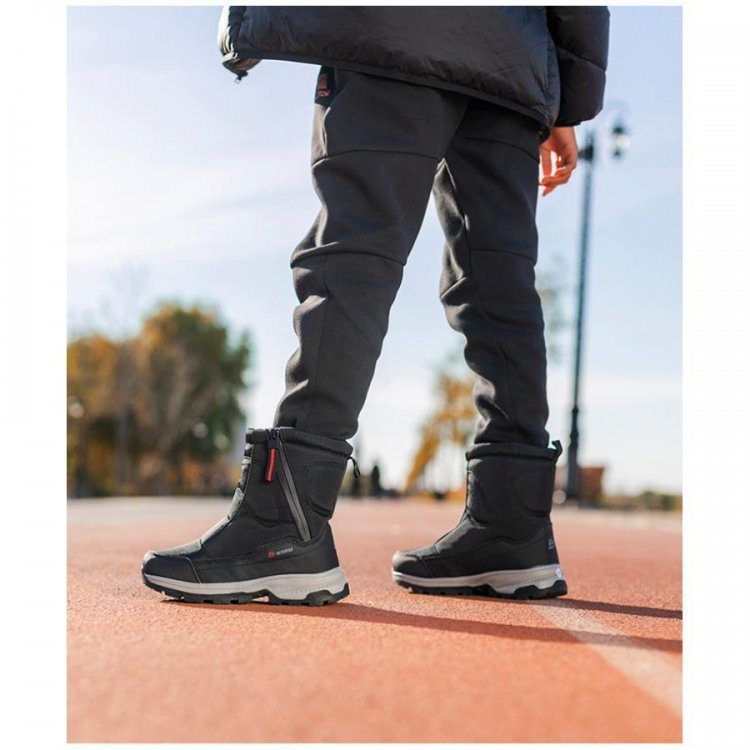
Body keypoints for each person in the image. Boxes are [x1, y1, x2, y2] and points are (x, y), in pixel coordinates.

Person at [141, 6, 610, 605]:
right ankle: (512, 528)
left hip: (391, 31)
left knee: (351, 256)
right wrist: (565, 103)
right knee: (499, 283)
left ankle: (285, 526)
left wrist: (247, 22)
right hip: (511, 66)